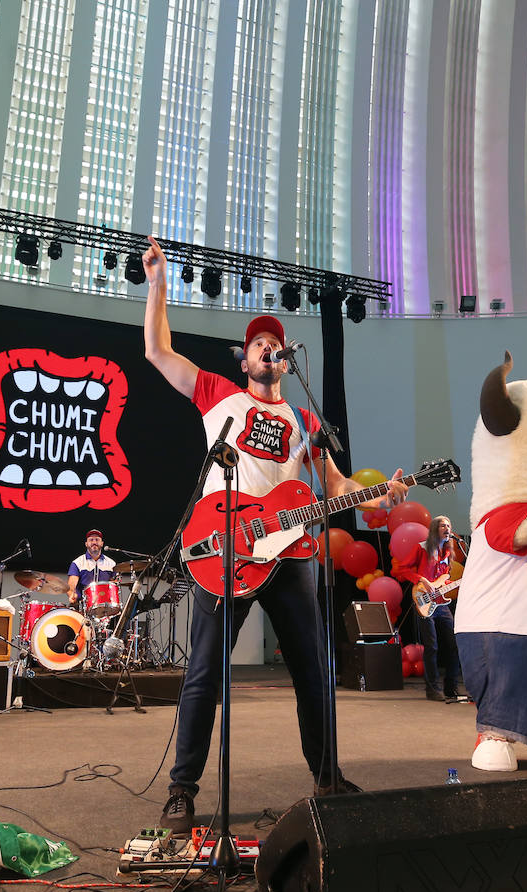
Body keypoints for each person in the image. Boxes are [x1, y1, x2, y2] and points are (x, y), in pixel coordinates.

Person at [141, 236, 409, 832]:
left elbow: (334, 486)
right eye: (260, 343)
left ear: (287, 359)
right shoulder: (217, 393)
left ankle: (327, 775)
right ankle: (182, 790)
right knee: (205, 671)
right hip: (227, 548)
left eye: (277, 345)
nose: (270, 349)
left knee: (315, 669)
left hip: (292, 555)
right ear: (245, 357)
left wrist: (381, 495)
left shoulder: (306, 420)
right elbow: (158, 351)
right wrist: (159, 282)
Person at [395, 515, 463, 701]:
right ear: (435, 529)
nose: (447, 528)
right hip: (423, 601)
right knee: (431, 646)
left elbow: (443, 579)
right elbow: (401, 569)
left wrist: (455, 584)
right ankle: (432, 689)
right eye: (443, 525)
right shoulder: (422, 547)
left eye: (449, 525)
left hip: (441, 603)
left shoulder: (448, 553)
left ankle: (451, 688)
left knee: (453, 644)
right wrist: (422, 579)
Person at [66, 529, 116, 606]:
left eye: (97, 540)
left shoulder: (111, 563)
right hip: (82, 605)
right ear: (86, 544)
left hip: (104, 605)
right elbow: (71, 587)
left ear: (102, 543)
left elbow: (114, 585)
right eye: (91, 540)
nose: (94, 542)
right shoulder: (77, 562)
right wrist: (72, 595)